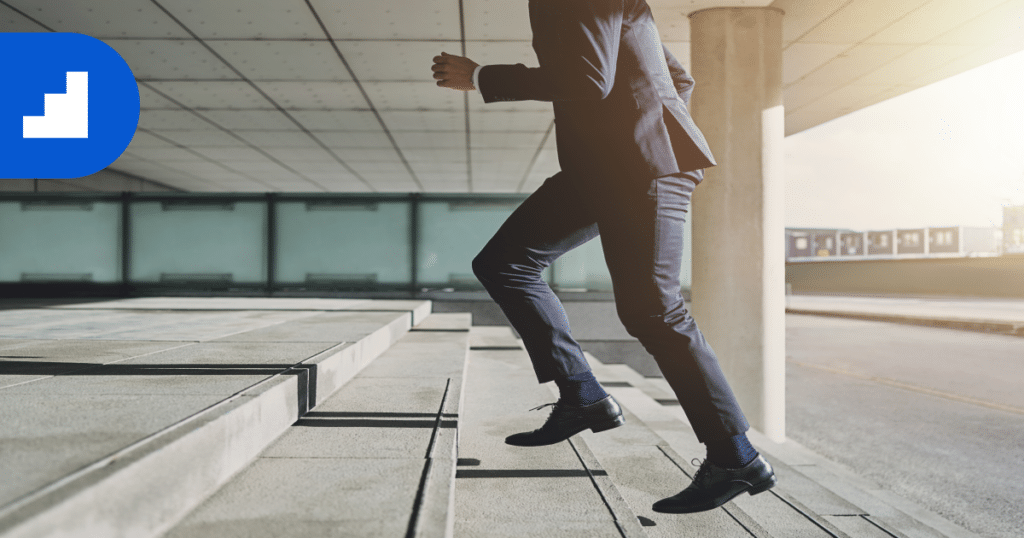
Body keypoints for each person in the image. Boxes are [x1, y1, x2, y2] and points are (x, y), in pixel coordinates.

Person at [431, 0, 776, 514]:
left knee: (654, 312)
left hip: (643, 167)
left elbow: (590, 78)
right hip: (606, 168)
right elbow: (676, 78)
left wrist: (483, 76)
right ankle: (582, 396)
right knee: (504, 261)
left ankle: (736, 457)